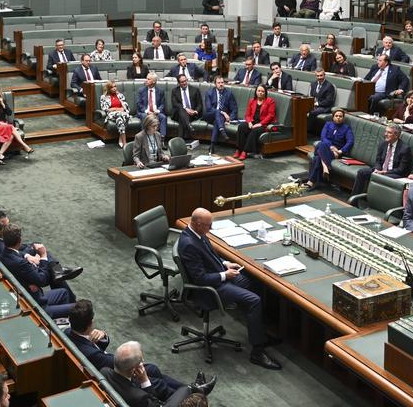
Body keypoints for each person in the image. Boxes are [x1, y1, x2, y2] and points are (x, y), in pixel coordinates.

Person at [178, 208, 281, 369]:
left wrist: (225, 263)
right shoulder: (189, 244)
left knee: (256, 282)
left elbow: (209, 255)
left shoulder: (197, 234)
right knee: (254, 300)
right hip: (210, 288)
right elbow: (199, 278)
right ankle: (257, 352)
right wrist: (225, 275)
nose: (210, 229)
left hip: (219, 276)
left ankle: (259, 331)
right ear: (198, 224)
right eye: (208, 226)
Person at [68, 300, 213, 402]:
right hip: (121, 377)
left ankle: (192, 388)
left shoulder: (70, 332)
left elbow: (101, 348)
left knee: (154, 371)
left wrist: (103, 335)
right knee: (157, 381)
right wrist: (144, 378)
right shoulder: (93, 354)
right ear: (90, 322)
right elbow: (121, 363)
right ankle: (192, 394)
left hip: (113, 372)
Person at [2, 223, 77, 317]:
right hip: (35, 303)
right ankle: (57, 271)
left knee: (63, 292)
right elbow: (42, 280)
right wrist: (43, 256)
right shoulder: (21, 263)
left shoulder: (3, 254)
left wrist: (27, 256)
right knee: (76, 308)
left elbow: (16, 255)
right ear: (19, 240)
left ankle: (57, 271)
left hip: (24, 294)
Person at [351, 124, 413, 193]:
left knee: (381, 178)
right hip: (380, 170)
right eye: (385, 132)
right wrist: (377, 169)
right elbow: (378, 160)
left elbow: (401, 170)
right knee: (362, 172)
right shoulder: (383, 144)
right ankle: (353, 200)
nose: (385, 134)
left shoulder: (405, 149)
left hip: (393, 173)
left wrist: (384, 172)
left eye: (389, 132)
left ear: (396, 135)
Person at [306, 109, 353, 188]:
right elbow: (323, 137)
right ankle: (325, 167)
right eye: (336, 116)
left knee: (317, 156)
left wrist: (340, 151)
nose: (338, 118)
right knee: (322, 145)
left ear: (343, 118)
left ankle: (310, 182)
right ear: (333, 117)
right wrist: (331, 146)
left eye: (340, 116)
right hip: (328, 149)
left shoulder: (346, 128)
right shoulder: (328, 124)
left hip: (336, 152)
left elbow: (350, 141)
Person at [0, 86, 33, 157]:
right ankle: (24, 145)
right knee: (11, 126)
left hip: (4, 125)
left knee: (11, 136)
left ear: (0, 96)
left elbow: (9, 113)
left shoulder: (2, 102)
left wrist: (3, 104)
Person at [234, 85, 276, 159]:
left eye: (262, 91)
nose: (260, 93)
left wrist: (260, 124)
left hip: (264, 124)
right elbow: (247, 115)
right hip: (253, 122)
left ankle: (245, 151)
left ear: (265, 93)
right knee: (241, 127)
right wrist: (249, 122)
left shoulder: (270, 101)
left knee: (255, 131)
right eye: (259, 91)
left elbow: (271, 115)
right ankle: (238, 149)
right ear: (256, 92)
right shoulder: (252, 101)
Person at [170, 74, 204, 146]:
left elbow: (200, 104)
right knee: (181, 109)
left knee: (181, 119)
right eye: (182, 82)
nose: (184, 83)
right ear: (179, 83)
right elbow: (175, 104)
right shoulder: (174, 91)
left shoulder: (195, 90)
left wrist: (195, 111)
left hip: (192, 114)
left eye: (185, 81)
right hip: (178, 113)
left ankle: (180, 143)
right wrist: (186, 109)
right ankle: (188, 126)